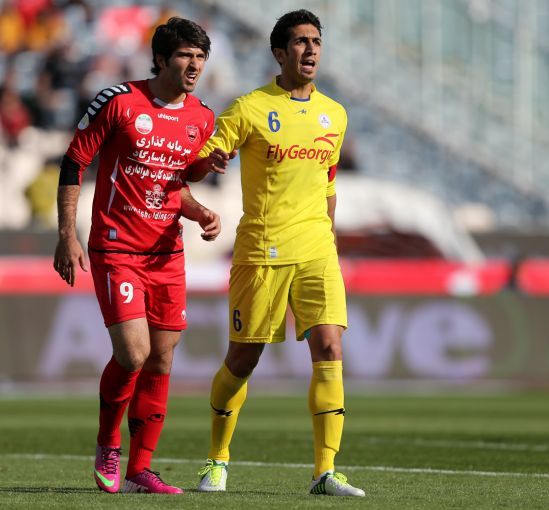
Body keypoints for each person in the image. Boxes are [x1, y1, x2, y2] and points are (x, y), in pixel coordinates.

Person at [189, 9, 365, 497]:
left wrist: (328, 238)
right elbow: (200, 158)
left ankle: (324, 472)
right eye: (301, 42)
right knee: (243, 359)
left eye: (316, 42)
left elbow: (328, 184)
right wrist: (211, 159)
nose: (311, 50)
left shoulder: (335, 114)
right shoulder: (249, 108)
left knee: (329, 348)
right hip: (262, 250)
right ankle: (217, 460)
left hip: (317, 250)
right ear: (279, 53)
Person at [52, 17, 220, 495]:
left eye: (201, 56)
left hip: (167, 253)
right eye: (185, 55)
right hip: (116, 246)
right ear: (161, 59)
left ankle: (140, 470)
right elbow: (74, 161)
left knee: (161, 361)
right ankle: (108, 442)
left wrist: (201, 210)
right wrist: (66, 234)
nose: (195, 65)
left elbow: (176, 184)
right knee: (133, 353)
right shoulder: (119, 101)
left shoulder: (202, 117)